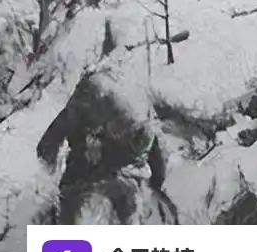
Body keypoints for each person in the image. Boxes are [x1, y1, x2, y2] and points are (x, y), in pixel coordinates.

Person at [36, 66, 177, 225]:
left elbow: (47, 145)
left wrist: (49, 172)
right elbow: (157, 154)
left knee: (69, 215)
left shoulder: (84, 101)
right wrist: (157, 184)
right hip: (126, 179)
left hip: (84, 177)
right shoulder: (136, 106)